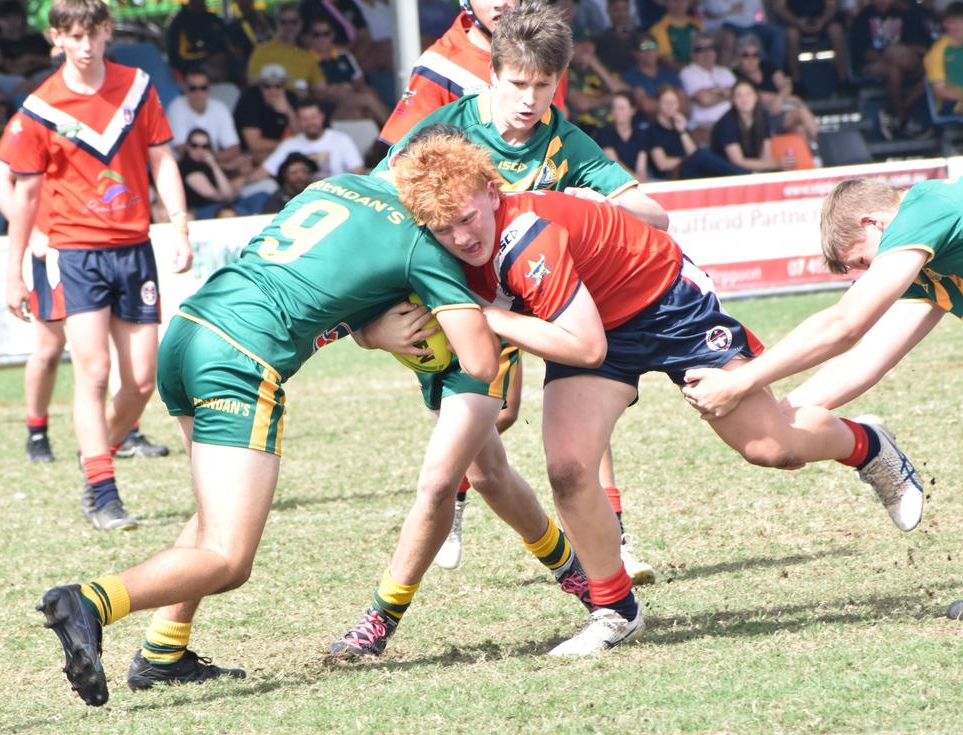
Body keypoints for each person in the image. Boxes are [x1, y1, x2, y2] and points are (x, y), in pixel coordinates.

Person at [393, 130, 926, 656]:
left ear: (492, 193)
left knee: (773, 448)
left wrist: (488, 316)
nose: (462, 237)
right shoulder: (437, 251)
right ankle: (615, 612)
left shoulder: (526, 236)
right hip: (589, 322)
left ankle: (868, 445)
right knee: (569, 471)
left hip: (666, 303)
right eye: (444, 229)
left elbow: (583, 349)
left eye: (467, 218)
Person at [34, 170, 502, 707]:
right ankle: (91, 602)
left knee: (214, 513)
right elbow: (480, 361)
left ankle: (164, 651)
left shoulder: (339, 184)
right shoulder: (423, 243)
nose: (459, 231)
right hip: (240, 360)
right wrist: (483, 313)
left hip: (191, 328)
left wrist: (368, 332)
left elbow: (324, 277)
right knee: (229, 558)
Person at [331, 7, 663, 657]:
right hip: (448, 313)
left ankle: (377, 625)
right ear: (492, 75)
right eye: (518, 85)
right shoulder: (444, 130)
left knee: (448, 474)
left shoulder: (565, 142)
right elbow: (370, 213)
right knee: (486, 472)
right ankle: (575, 572)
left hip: (510, 317)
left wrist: (597, 207)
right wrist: (368, 326)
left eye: (544, 87)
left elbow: (649, 212)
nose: (531, 102)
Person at [0, 0, 192, 529]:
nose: (85, 46)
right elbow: (24, 194)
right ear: (56, 39)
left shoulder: (136, 87)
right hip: (75, 253)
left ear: (107, 32)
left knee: (142, 382)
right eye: (73, 36)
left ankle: (95, 453)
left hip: (134, 248)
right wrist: (14, 269)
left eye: (93, 34)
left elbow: (162, 159)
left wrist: (179, 225)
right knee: (94, 371)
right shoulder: (41, 106)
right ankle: (102, 489)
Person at [683, 175, 949, 535]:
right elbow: (867, 358)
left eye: (864, 259)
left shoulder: (926, 212)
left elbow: (843, 325)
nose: (874, 271)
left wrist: (741, 382)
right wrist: (782, 426)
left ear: (873, 222)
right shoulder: (930, 259)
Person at [379, 0, 568, 147]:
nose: (500, 4)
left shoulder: (548, 53)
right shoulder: (438, 68)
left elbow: (559, 131)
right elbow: (401, 159)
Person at [848, 0, 928, 138]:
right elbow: (863, 52)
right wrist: (888, 57)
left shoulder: (905, 14)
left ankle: (895, 110)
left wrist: (898, 54)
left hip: (905, 60)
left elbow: (919, 46)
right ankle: (902, 119)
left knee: (930, 73)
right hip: (872, 64)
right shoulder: (863, 16)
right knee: (893, 71)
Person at [304, 15, 390, 125]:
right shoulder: (307, 59)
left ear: (332, 35)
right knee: (367, 99)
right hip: (330, 103)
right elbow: (318, 91)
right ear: (310, 37)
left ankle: (386, 136)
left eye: (326, 34)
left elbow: (359, 79)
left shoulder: (343, 54)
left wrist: (350, 89)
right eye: (317, 35)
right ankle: (397, 132)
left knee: (365, 102)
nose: (322, 39)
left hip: (352, 96)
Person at [648, 84, 747, 179]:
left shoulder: (680, 126)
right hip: (671, 176)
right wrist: (688, 159)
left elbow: (693, 152)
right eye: (665, 102)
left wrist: (682, 132)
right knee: (702, 154)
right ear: (658, 103)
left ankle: (742, 175)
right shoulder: (652, 131)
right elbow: (662, 164)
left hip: (691, 172)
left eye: (674, 102)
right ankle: (745, 174)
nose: (670, 106)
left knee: (705, 158)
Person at [732, 33, 818, 141]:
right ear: (739, 57)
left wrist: (780, 99)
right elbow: (756, 96)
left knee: (799, 128)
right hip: (759, 117)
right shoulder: (735, 75)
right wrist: (787, 99)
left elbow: (786, 85)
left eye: (755, 55)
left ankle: (809, 153)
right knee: (798, 108)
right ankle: (818, 140)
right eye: (746, 55)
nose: (751, 59)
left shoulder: (767, 66)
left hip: (779, 109)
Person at [167, 69, 249, 176]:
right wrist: (218, 163)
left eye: (203, 88)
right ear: (185, 89)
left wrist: (212, 160)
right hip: (185, 166)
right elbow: (183, 152)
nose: (198, 93)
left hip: (213, 162)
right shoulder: (176, 107)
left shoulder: (219, 107)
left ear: (209, 89)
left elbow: (234, 149)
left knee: (244, 162)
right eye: (193, 88)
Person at [261, 98, 366, 179]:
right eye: (305, 119)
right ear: (299, 121)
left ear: (322, 117)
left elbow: (358, 171)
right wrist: (245, 179)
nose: (310, 123)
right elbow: (266, 169)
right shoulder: (290, 144)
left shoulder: (341, 140)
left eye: (313, 117)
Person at [247, 5, 326, 99]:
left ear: (300, 24)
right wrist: (272, 80)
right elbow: (251, 82)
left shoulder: (307, 56)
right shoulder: (262, 51)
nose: (289, 26)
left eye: (294, 22)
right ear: (277, 24)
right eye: (284, 22)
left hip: (299, 104)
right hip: (268, 102)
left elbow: (321, 89)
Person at [709, 81, 786, 173]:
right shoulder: (726, 123)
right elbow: (737, 161)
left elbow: (766, 156)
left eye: (748, 94)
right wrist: (776, 163)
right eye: (739, 96)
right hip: (728, 172)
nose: (744, 99)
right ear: (733, 101)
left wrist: (775, 165)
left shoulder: (762, 116)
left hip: (754, 168)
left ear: (756, 97)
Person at [567, 29, 631, 135]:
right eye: (580, 43)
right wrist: (611, 98)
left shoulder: (603, 68)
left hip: (614, 126)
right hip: (587, 130)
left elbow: (627, 94)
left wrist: (596, 65)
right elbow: (582, 104)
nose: (586, 48)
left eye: (589, 43)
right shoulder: (567, 73)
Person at [233, 63, 300, 165]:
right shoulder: (249, 99)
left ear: (284, 86)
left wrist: (289, 113)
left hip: (280, 149)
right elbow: (255, 144)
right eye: (267, 86)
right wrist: (288, 145)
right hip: (248, 154)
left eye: (278, 86)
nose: (272, 91)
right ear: (260, 86)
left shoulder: (291, 98)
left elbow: (301, 136)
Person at [772, 0, 849, 83]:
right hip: (794, 22)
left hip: (822, 20)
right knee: (791, 35)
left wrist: (822, 20)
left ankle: (843, 79)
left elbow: (831, 6)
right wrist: (797, 21)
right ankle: (796, 81)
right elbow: (780, 7)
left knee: (836, 31)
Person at [680, 32, 737, 138]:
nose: (707, 53)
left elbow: (739, 95)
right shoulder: (688, 72)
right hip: (706, 127)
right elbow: (704, 99)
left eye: (711, 48)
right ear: (693, 54)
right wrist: (728, 93)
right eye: (701, 50)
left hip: (733, 123)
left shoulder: (725, 71)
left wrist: (714, 92)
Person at [623, 33, 687, 117]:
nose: (649, 52)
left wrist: (660, 106)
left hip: (675, 122)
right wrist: (673, 106)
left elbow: (686, 106)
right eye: (644, 48)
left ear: (657, 50)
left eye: (652, 47)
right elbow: (646, 106)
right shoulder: (631, 76)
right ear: (635, 53)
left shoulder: (669, 74)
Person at [179, 128, 237, 219]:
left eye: (205, 146)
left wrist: (214, 165)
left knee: (260, 196)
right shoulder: (187, 166)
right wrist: (228, 195)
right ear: (188, 146)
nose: (200, 149)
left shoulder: (208, 165)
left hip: (218, 207)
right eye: (195, 145)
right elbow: (213, 195)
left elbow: (227, 192)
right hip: (201, 211)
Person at [165, 0, 228, 80]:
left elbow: (224, 39)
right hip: (191, 68)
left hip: (217, 63)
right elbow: (179, 58)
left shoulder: (211, 18)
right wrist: (208, 57)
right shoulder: (180, 23)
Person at [596, 92, 650, 183]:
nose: (617, 112)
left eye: (622, 108)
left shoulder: (641, 134)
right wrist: (638, 181)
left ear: (633, 110)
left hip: (637, 181)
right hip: (612, 182)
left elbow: (641, 168)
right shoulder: (604, 132)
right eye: (614, 108)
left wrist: (642, 181)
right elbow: (614, 164)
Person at [0, 0, 55, 79]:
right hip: (20, 82)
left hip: (50, 75)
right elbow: (11, 70)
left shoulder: (37, 39)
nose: (12, 22)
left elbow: (53, 61)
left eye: (15, 17)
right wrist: (36, 64)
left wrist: (32, 59)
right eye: (6, 19)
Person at [923, 1, 963, 117]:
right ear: (945, 24)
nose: (956, 26)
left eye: (960, 21)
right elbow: (939, 90)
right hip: (951, 103)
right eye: (951, 22)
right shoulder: (936, 53)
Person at [649, 0, 703, 70]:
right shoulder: (658, 29)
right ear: (666, 3)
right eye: (674, 1)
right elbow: (668, 61)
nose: (679, 4)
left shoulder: (697, 25)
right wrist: (690, 72)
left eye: (683, 1)